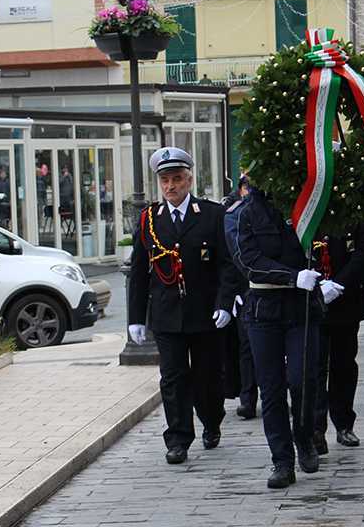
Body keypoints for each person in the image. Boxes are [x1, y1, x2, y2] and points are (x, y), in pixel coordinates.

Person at [128, 147, 237, 466]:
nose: (170, 186)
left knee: (207, 377)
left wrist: (225, 303)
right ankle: (177, 439)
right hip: (166, 314)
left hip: (204, 313)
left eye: (176, 179)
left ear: (189, 180)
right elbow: (138, 270)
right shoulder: (150, 219)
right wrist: (136, 318)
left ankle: (212, 420)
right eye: (165, 180)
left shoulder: (213, 214)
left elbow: (227, 265)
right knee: (173, 377)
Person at [231, 184, 323, 489]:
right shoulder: (246, 214)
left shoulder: (306, 203)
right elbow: (249, 262)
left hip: (300, 308)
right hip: (264, 308)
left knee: (302, 379)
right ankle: (281, 461)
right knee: (271, 389)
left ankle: (304, 437)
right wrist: (292, 276)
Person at [312, 222, 364, 455]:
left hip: (345, 298)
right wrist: (317, 285)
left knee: (344, 364)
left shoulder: (353, 209)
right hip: (312, 298)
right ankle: (315, 428)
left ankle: (344, 423)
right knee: (314, 366)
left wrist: (339, 284)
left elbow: (363, 251)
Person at [223, 176, 258, 420]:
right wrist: (233, 293)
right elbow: (230, 259)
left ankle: (272, 395)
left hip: (265, 287)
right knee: (246, 349)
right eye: (246, 186)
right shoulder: (233, 214)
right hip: (244, 291)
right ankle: (247, 399)